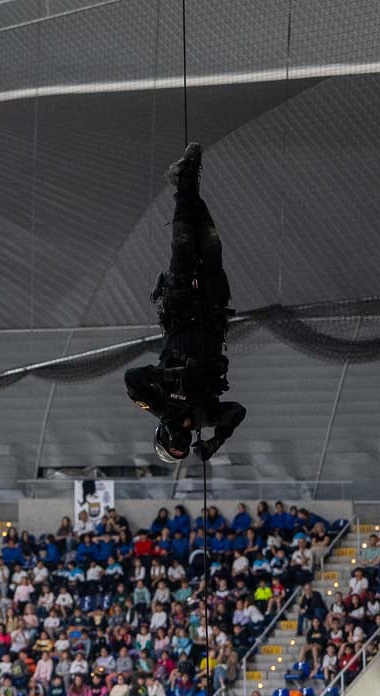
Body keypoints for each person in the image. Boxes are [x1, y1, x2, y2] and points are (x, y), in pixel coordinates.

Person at [125, 142, 246, 463]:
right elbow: (237, 411)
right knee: (210, 243)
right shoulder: (205, 417)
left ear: (162, 438)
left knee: (183, 245)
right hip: (212, 313)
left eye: (172, 447)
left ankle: (185, 182)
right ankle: (186, 184)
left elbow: (133, 380)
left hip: (181, 312)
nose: (179, 443)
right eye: (181, 450)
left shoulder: (163, 407)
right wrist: (217, 441)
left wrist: (165, 378)